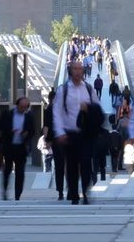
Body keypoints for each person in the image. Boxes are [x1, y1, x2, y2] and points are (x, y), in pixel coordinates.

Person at [53, 61, 104, 205]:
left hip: (85, 133)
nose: (77, 71)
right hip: (70, 133)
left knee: (86, 162)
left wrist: (88, 108)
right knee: (72, 164)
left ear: (83, 71)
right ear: (70, 71)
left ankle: (86, 191)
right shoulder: (63, 90)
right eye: (75, 69)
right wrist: (59, 132)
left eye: (80, 69)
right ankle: (74, 194)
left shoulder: (88, 89)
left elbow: (98, 107)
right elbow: (57, 112)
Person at [0, 96, 35, 201]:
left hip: (21, 147)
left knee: (20, 172)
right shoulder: (8, 114)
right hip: (9, 146)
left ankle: (18, 195)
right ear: (17, 105)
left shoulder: (28, 116)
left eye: (25, 107)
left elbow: (32, 130)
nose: (23, 109)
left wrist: (26, 133)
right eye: (21, 107)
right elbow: (0, 127)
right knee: (7, 170)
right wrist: (11, 131)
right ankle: (5, 191)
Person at [43, 90, 65, 200]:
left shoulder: (48, 110)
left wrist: (47, 140)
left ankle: (60, 191)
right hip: (66, 140)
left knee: (59, 165)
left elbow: (46, 126)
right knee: (69, 165)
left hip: (56, 141)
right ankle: (71, 189)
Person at [92, 119, 110, 184]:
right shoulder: (105, 132)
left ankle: (94, 180)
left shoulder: (92, 132)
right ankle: (103, 179)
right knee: (102, 167)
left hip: (95, 152)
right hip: (102, 152)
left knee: (95, 167)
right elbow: (108, 142)